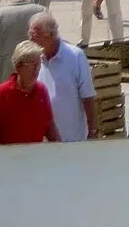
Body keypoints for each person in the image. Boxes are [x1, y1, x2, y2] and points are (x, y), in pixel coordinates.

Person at [30, 14, 97, 143]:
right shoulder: (33, 58)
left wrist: (92, 131)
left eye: (35, 36)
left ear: (50, 35)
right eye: (30, 36)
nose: (31, 41)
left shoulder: (75, 56)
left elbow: (88, 96)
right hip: (42, 140)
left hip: (71, 138)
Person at [0, 42, 59, 145]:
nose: (37, 69)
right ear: (18, 67)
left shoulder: (42, 91)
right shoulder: (4, 92)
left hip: (34, 157)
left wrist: (60, 150)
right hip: (7, 158)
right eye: (32, 64)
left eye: (38, 63)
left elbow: (50, 127)